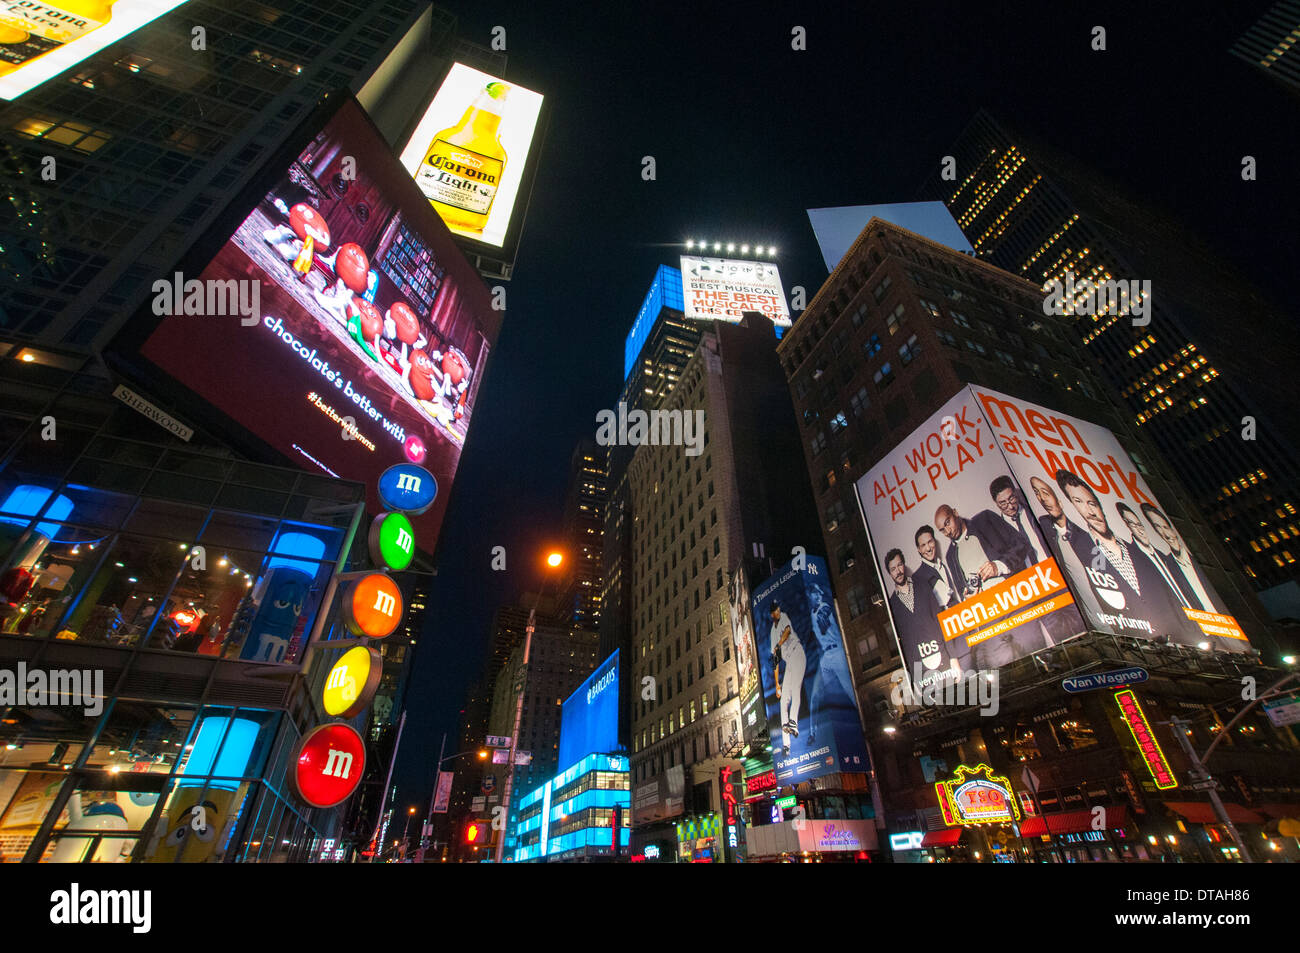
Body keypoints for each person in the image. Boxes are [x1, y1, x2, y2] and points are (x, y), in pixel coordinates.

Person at [1056, 470, 1189, 641]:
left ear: (1100, 505)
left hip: (1172, 644)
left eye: (1092, 503)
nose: (1090, 511)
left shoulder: (1140, 552)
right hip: (1124, 645)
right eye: (1078, 502)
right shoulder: (1078, 549)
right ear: (1072, 506)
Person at [1140, 503, 1223, 614]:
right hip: (1202, 627)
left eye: (1165, 527)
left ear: (1173, 529)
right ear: (1155, 531)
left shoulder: (1200, 561)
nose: (1166, 534)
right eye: (1158, 527)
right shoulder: (1166, 565)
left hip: (1227, 625)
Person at [885, 548, 949, 675]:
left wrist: (952, 657)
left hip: (942, 657)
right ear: (889, 573)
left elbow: (940, 620)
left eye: (899, 565)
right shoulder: (892, 604)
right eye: (893, 569)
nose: (898, 571)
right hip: (921, 670)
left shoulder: (923, 585)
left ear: (904, 564)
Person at [768, 601, 806, 757]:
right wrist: (777, 684)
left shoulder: (783, 617)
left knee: (796, 688)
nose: (778, 611)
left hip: (797, 653)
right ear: (772, 614)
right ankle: (786, 745)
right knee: (783, 700)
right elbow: (776, 661)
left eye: (778, 609)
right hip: (789, 661)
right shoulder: (772, 631)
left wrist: (779, 643)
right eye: (775, 611)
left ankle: (794, 723)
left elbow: (788, 631)